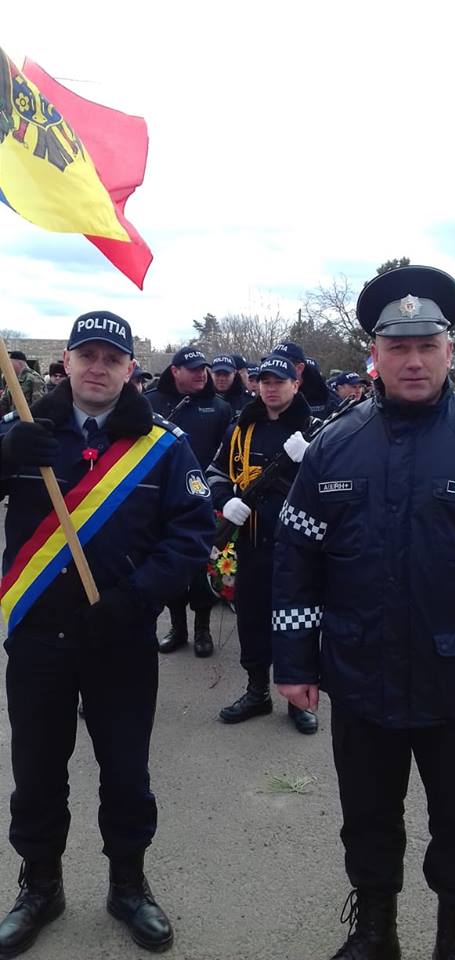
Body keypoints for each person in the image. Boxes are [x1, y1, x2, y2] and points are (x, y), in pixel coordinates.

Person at [271, 265, 455, 960]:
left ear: (450, 350)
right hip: (360, 676)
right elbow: (296, 560)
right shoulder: (334, 443)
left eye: (427, 345)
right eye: (398, 347)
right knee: (366, 818)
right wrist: (294, 663)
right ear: (375, 354)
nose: (413, 360)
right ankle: (374, 932)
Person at [0, 310, 215, 956]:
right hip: (39, 637)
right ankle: (41, 886)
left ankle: (128, 885)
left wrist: (136, 599)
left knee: (125, 772)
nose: (98, 368)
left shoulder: (164, 445)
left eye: (111, 358)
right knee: (37, 771)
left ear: (130, 369)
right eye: (86, 355)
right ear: (65, 362)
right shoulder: (21, 431)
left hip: (120, 637)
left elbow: (191, 534)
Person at [207, 354, 318, 734]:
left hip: (299, 548)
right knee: (252, 619)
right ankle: (257, 692)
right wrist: (226, 501)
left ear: (296, 384)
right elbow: (216, 472)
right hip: (252, 542)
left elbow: (338, 482)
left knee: (297, 621)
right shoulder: (242, 428)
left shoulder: (314, 429)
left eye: (279, 381)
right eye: (265, 381)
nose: (271, 388)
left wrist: (313, 458)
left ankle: (297, 699)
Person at [146, 347, 231, 656]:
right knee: (168, 565)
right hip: (162, 500)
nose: (201, 374)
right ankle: (178, 627)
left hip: (203, 501)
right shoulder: (151, 403)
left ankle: (202, 629)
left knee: (201, 568)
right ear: (175, 371)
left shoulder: (219, 407)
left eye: (203, 369)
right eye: (193, 369)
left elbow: (226, 458)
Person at [271, 341, 340, 419]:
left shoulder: (326, 396)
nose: (276, 370)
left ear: (300, 368)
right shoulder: (268, 393)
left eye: (282, 365)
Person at [210, 354, 253, 419]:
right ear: (211, 374)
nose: (222, 378)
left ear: (234, 373)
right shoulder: (202, 400)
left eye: (226, 374)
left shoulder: (248, 402)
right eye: (218, 374)